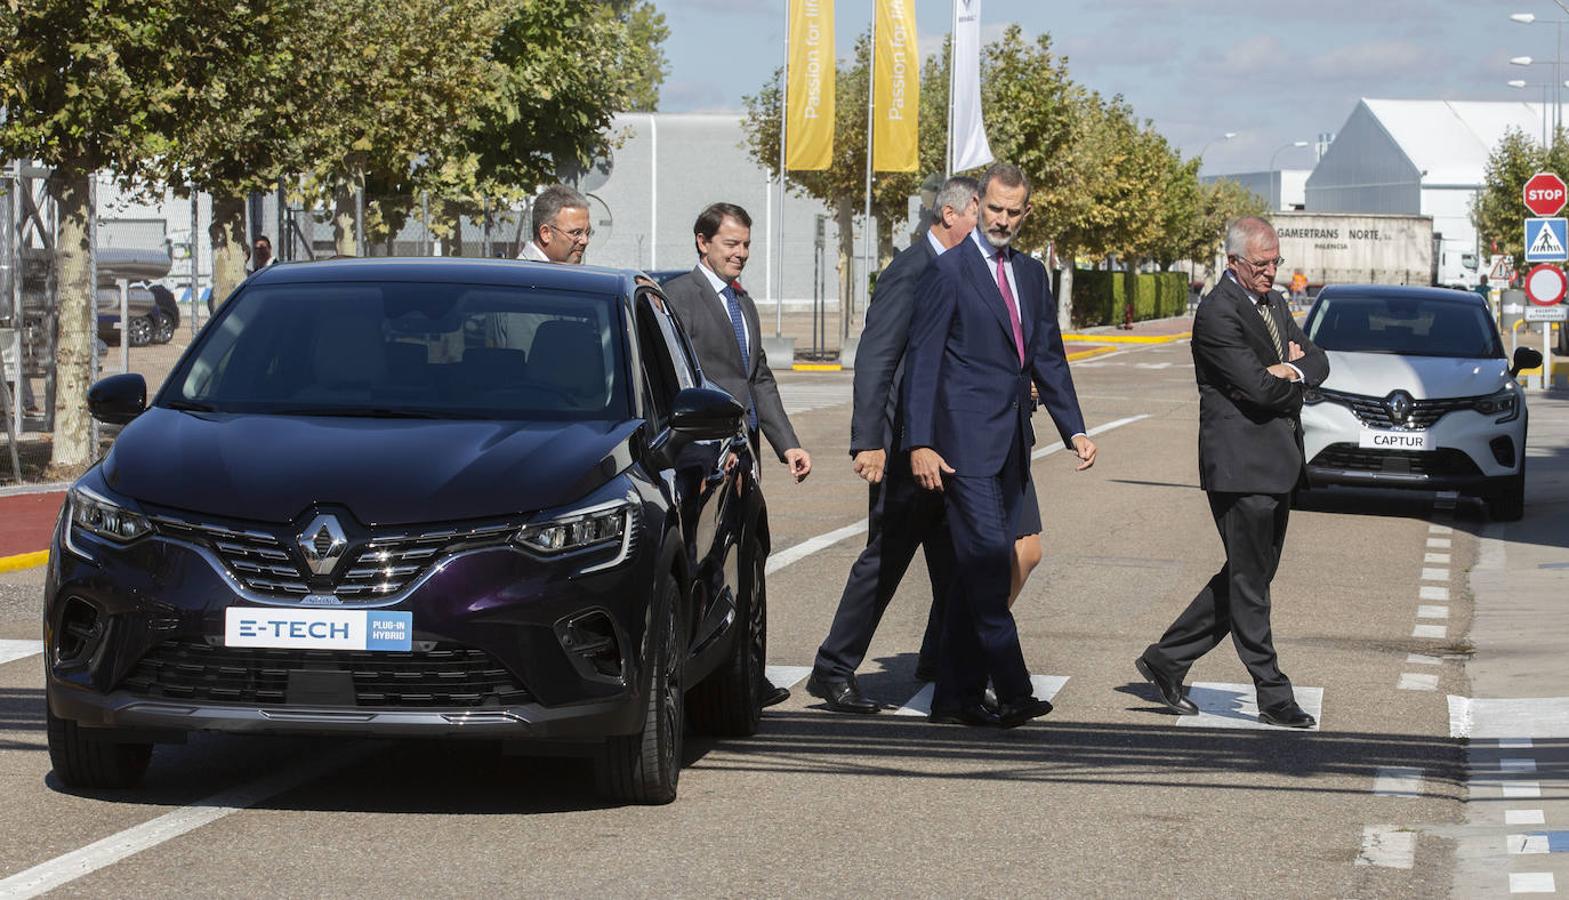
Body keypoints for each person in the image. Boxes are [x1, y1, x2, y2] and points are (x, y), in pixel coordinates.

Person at [904, 163, 1097, 728]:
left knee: (983, 571)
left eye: (1014, 212)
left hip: (1013, 443)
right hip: (962, 447)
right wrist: (919, 442)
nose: (1003, 220)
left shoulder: (1033, 276)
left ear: (1026, 213)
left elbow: (1048, 358)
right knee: (989, 565)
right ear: (978, 204)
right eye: (994, 209)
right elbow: (924, 364)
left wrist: (1075, 429)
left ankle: (953, 697)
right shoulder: (950, 272)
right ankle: (1013, 688)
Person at [1135, 216, 1329, 730]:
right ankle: (1273, 693)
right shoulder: (1218, 313)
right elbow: (1255, 390)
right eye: (1261, 265)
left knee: (1251, 575)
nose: (1271, 273)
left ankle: (1167, 659)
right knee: (1250, 583)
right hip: (1241, 468)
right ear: (1233, 262)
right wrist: (1290, 374)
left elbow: (1318, 360)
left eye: (1275, 263)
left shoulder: (1273, 304)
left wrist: (1290, 369)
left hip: (1277, 464)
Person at [804, 176, 979, 714]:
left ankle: (939, 658)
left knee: (960, 563)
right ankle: (833, 669)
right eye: (979, 210)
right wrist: (870, 441)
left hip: (947, 449)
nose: (986, 223)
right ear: (949, 215)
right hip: (905, 452)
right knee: (884, 562)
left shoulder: (957, 270)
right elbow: (877, 358)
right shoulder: (913, 269)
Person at [662, 202, 812, 707]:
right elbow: (676, 379)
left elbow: (758, 380)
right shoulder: (678, 298)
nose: (741, 253)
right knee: (711, 568)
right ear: (703, 242)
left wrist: (787, 444)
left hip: (745, 457)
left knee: (750, 562)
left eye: (746, 244)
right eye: (732, 244)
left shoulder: (742, 303)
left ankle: (748, 673)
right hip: (703, 461)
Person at [520, 185, 592, 264]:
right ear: (546, 233)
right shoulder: (522, 274)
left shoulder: (558, 271)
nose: (585, 241)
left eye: (587, 233)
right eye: (576, 233)